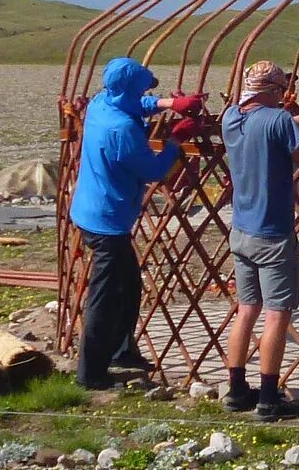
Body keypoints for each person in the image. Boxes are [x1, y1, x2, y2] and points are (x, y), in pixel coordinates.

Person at [70, 57, 205, 390]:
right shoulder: (123, 129)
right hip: (108, 221)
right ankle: (91, 373)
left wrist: (170, 104)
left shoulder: (102, 104)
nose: (147, 92)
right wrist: (176, 140)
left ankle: (121, 351)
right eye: (145, 86)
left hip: (94, 210)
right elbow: (155, 171)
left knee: (129, 285)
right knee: (104, 297)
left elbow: (135, 103)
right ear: (132, 87)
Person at [221, 61, 299, 421]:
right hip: (272, 234)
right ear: (271, 91)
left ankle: (237, 390)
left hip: (240, 232)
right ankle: (269, 398)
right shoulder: (278, 121)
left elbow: (274, 127)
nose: (284, 97)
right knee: (276, 316)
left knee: (246, 309)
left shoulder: (230, 117)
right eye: (281, 91)